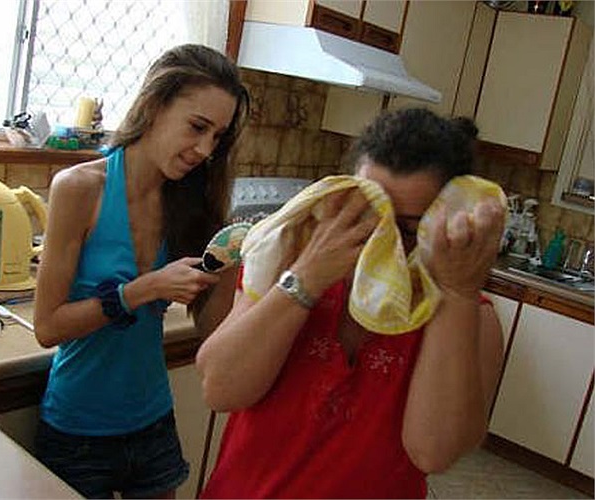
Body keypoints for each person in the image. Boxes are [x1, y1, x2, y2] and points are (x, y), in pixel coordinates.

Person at [196, 108, 506, 499]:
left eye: (408, 230)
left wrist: (457, 294)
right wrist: (306, 278)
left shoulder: (471, 317)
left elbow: (433, 451)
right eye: (368, 216)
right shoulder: (285, 259)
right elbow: (220, 389)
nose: (382, 246)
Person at [33, 44, 249, 499]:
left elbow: (211, 332)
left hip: (153, 423)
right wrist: (144, 289)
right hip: (77, 431)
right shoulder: (80, 189)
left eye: (217, 137)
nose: (205, 150)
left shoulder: (191, 204)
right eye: (198, 127)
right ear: (154, 105)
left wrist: (233, 260)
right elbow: (48, 327)